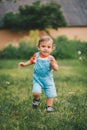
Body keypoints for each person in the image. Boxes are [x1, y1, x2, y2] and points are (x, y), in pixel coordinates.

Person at [18, 36, 59, 112]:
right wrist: (24, 64)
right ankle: (36, 99)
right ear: (38, 47)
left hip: (48, 80)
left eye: (48, 47)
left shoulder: (51, 58)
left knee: (50, 94)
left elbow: (56, 69)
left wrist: (53, 64)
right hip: (37, 79)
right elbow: (31, 61)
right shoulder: (36, 56)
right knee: (36, 92)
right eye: (43, 46)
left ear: (52, 48)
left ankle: (49, 107)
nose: (45, 48)